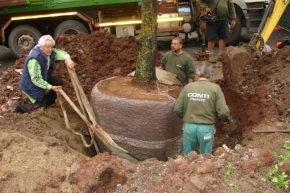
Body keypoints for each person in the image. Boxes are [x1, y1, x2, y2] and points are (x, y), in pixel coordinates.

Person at [174, 62, 230, 156]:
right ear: (210, 74)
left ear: (197, 73)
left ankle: (187, 170)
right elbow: (223, 112)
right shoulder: (215, 88)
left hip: (189, 127)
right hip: (206, 128)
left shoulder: (188, 87)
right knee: (205, 157)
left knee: (188, 156)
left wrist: (186, 117)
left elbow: (177, 109)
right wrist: (225, 120)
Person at [16, 34, 75, 113]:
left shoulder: (49, 53)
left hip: (43, 78)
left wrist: (68, 59)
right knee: (39, 108)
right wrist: (50, 87)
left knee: (58, 82)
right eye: (48, 47)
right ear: (41, 47)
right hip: (30, 85)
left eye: (51, 47)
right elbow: (36, 79)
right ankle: (19, 105)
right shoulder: (35, 59)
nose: (50, 49)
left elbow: (59, 53)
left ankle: (46, 102)